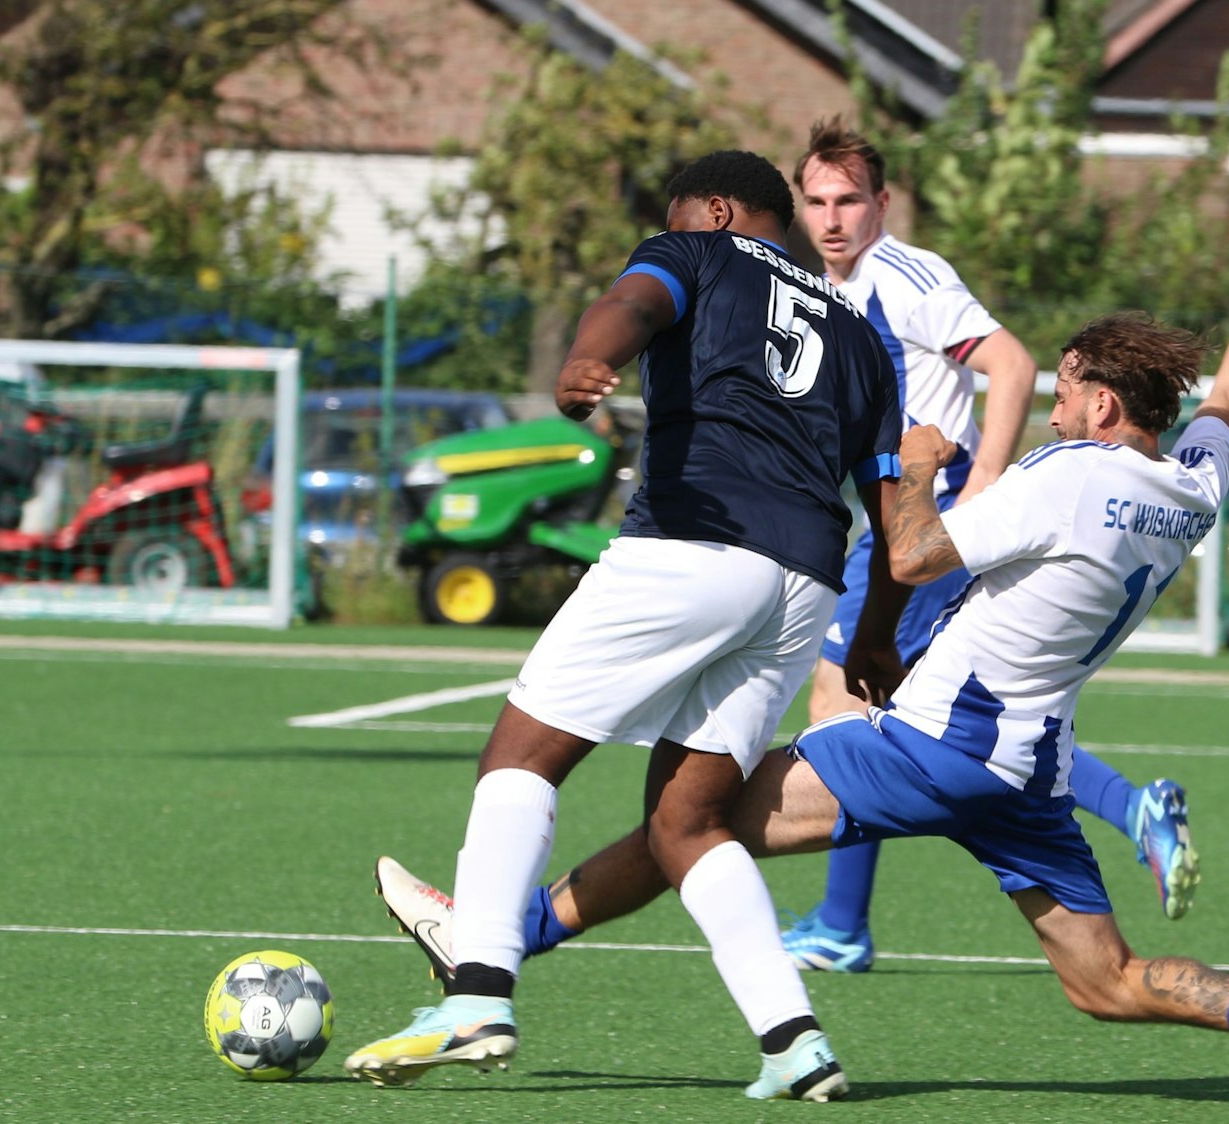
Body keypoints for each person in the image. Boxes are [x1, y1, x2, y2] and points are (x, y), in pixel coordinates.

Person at [374, 197, 1229, 1116]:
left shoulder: (1062, 474)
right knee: (1109, 980)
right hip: (1031, 771)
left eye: (1066, 389)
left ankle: (487, 944)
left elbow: (914, 552)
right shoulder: (1188, 491)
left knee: (685, 824)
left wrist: (922, 465)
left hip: (932, 742)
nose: (1051, 406)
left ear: (1100, 404)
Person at [343, 150, 911, 1102]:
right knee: (685, 822)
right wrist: (874, 638)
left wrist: (590, 353)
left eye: (684, 215)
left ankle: (478, 992)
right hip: (804, 584)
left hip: (691, 548)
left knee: (519, 759)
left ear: (718, 210)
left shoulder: (695, 250)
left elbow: (637, 303)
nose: (674, 227)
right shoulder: (859, 340)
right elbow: (893, 520)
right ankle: (794, 1041)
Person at [784, 118, 1202, 975]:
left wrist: (980, 486)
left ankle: (838, 924)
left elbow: (1008, 362)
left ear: (882, 203)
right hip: (905, 514)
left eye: (849, 200)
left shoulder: (904, 274)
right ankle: (1130, 809)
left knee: (842, 708)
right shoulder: (834, 285)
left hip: (938, 517)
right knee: (907, 714)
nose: (832, 218)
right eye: (817, 200)